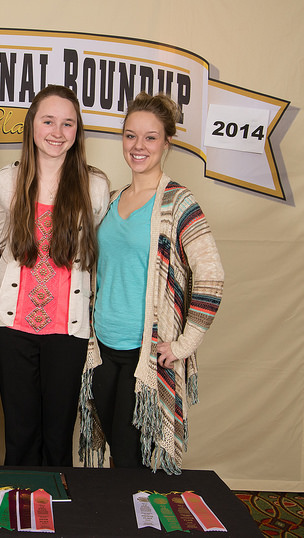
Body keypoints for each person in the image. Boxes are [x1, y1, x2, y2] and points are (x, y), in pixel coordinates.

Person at [78, 92, 225, 474]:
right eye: (130, 136)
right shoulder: (111, 199)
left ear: (166, 143)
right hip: (101, 348)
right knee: (114, 452)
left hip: (144, 354)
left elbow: (211, 275)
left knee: (135, 460)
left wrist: (185, 344)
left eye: (150, 137)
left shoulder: (178, 203)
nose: (138, 146)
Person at [0, 85, 110, 466]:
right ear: (32, 126)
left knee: (57, 435)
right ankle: (18, 511)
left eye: (67, 123)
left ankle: (55, 517)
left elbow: (94, 251)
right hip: (12, 327)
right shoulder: (8, 180)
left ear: (77, 131)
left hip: (67, 330)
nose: (57, 132)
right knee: (20, 433)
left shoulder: (95, 186)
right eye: (48, 121)